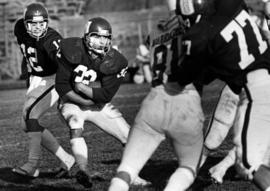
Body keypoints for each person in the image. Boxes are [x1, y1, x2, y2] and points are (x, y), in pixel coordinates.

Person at [108, 3, 205, 191]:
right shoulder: (196, 27)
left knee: (126, 170)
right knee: (188, 167)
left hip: (155, 99)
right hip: (186, 101)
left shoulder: (156, 30)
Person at [175, 0, 270, 190]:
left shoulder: (200, 35)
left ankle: (198, 171)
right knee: (223, 138)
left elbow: (188, 76)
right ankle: (196, 172)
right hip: (252, 82)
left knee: (248, 163)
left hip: (254, 89)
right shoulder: (232, 5)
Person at [54, 17, 148, 188]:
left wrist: (83, 89)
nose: (102, 42)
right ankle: (82, 169)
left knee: (128, 136)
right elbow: (61, 87)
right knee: (75, 122)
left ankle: (133, 175)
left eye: (105, 38)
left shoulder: (115, 60)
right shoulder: (72, 49)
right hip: (71, 102)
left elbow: (105, 95)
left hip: (95, 104)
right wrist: (83, 99)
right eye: (97, 37)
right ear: (87, 36)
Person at [12, 3, 75, 179]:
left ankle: (32, 164)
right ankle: (66, 159)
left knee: (31, 116)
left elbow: (63, 63)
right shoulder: (19, 28)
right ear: (25, 24)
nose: (38, 27)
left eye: (42, 23)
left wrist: (66, 89)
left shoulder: (51, 39)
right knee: (26, 124)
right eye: (33, 24)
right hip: (35, 79)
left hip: (52, 79)